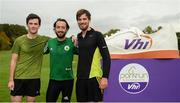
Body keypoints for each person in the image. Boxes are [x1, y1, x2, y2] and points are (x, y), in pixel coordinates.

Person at [7, 13, 49, 102]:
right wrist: (11, 80)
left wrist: (72, 37)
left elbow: (60, 39)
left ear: (39, 25)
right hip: (18, 78)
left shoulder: (44, 39)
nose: (33, 26)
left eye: (35, 24)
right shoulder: (19, 40)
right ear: (27, 25)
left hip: (34, 78)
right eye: (31, 23)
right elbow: (13, 61)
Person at [75, 9, 111, 102]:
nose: (82, 21)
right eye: (79, 19)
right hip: (80, 79)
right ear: (77, 21)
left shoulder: (97, 35)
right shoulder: (78, 36)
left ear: (89, 20)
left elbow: (106, 57)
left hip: (94, 78)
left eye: (84, 19)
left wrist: (105, 77)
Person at [45, 18, 77, 102]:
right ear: (54, 29)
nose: (60, 29)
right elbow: (39, 52)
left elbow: (85, 51)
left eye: (63, 27)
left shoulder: (72, 42)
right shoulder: (50, 42)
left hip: (68, 80)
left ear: (66, 29)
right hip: (53, 80)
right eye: (58, 27)